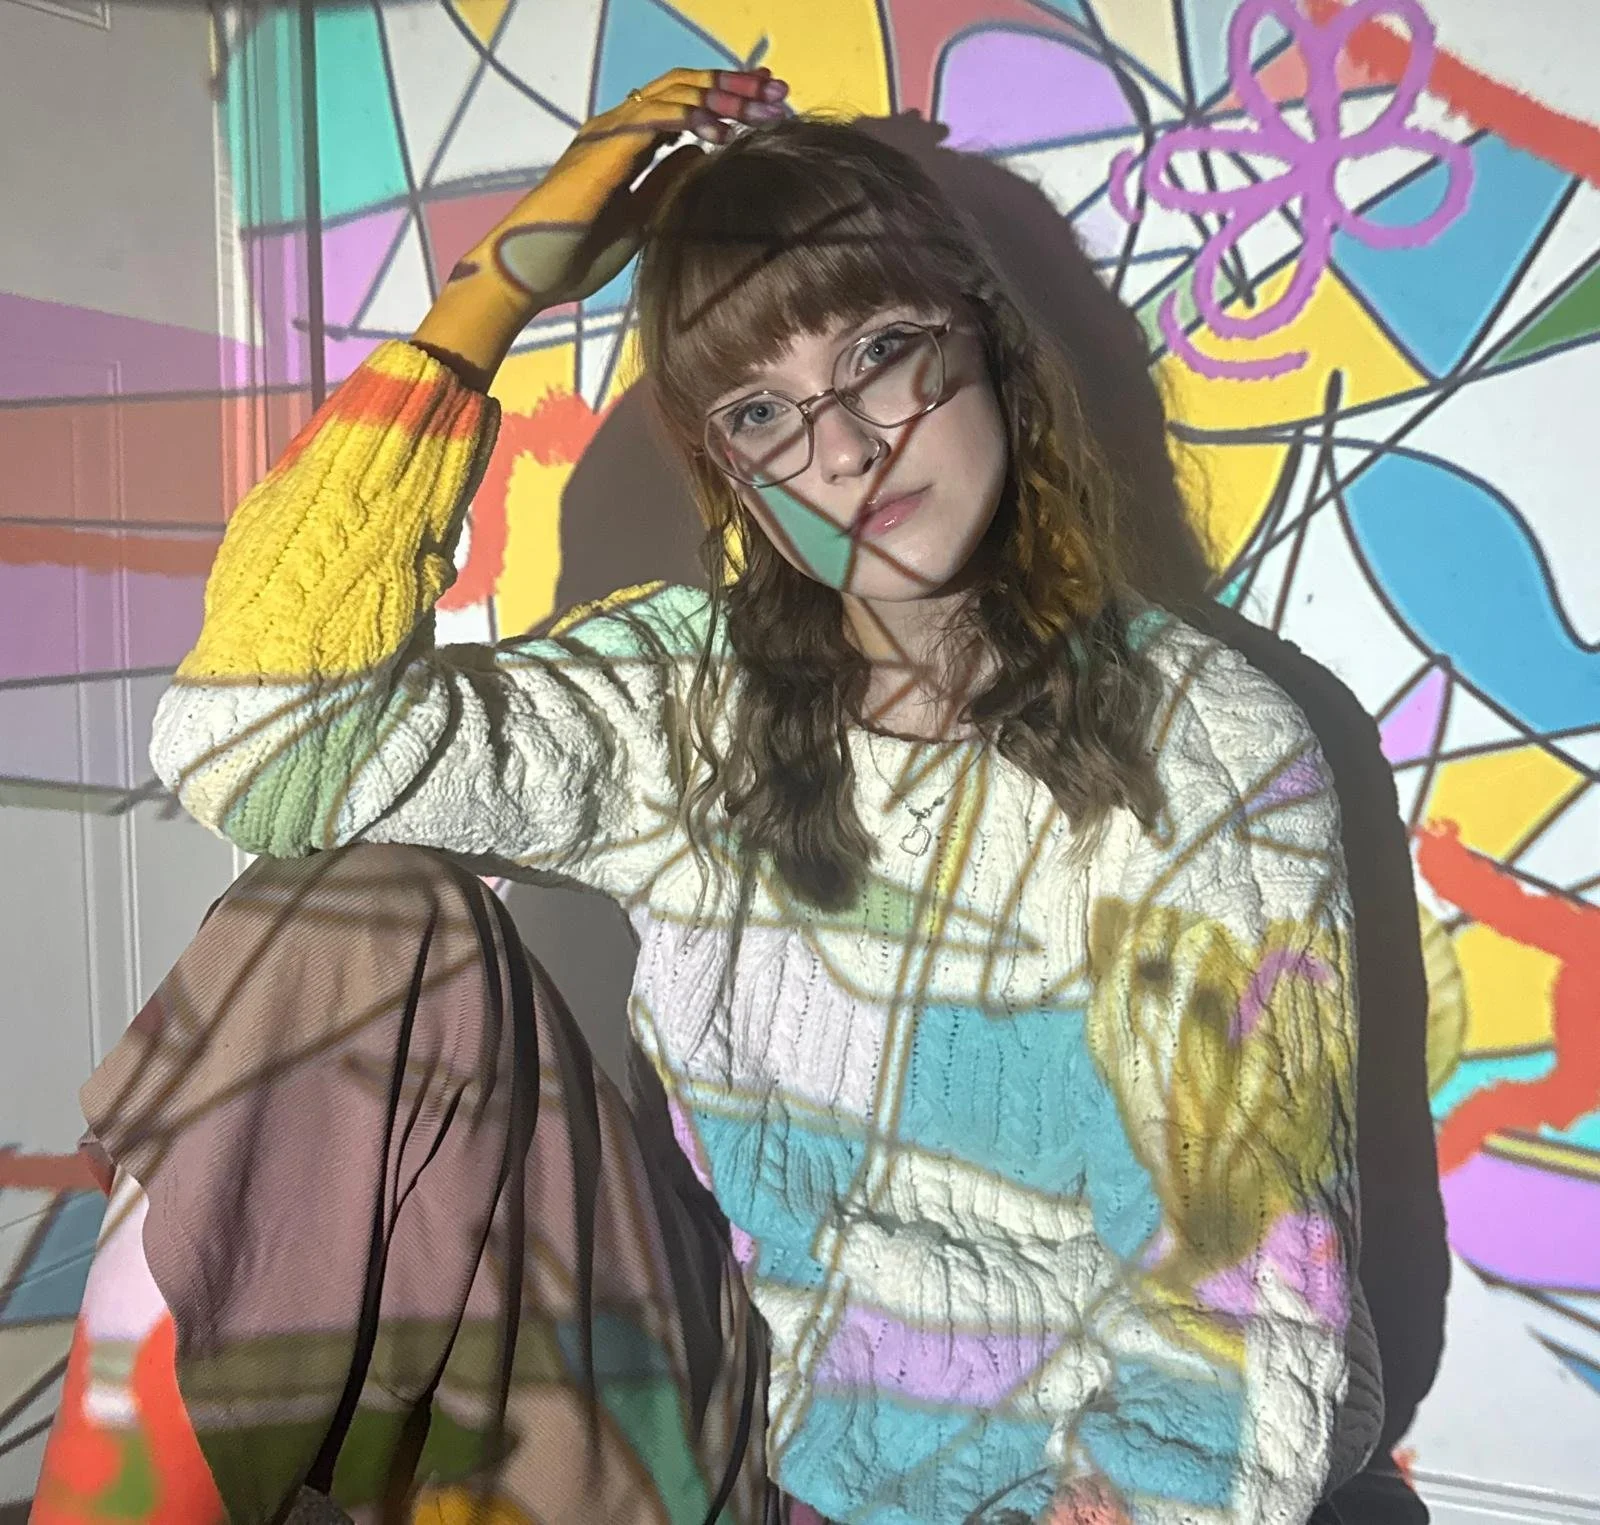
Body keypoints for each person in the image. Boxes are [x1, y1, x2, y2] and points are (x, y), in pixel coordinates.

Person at [35, 66, 1382, 1525]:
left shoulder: (1205, 744)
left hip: (1036, 1482)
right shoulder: (693, 695)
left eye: (882, 352)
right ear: (731, 471)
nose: (845, 450)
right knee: (347, 916)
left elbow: (1246, 1275)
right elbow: (258, 738)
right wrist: (499, 287)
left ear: (986, 335)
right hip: (720, 1434)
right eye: (761, 411)